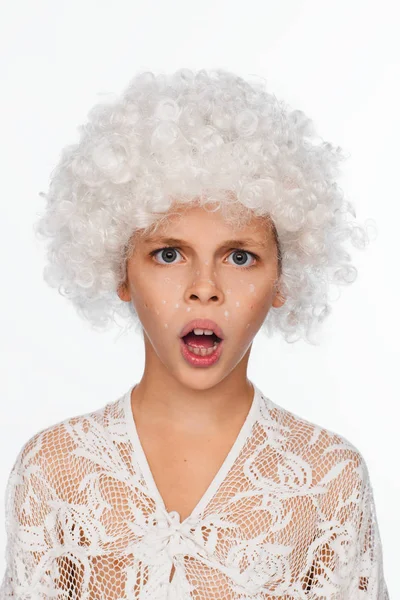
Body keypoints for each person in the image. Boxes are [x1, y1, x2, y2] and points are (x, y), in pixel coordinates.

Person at [0, 68, 390, 599]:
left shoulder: (329, 482)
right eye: (168, 254)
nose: (204, 288)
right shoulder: (54, 469)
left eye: (239, 257)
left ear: (282, 279)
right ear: (120, 271)